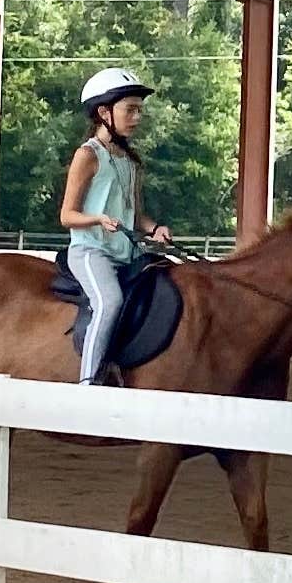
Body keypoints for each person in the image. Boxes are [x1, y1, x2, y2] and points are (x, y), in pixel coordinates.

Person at [59, 69, 171, 383]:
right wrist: (97, 219)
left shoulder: (130, 161)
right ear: (104, 112)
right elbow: (67, 215)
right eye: (130, 110)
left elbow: (135, 215)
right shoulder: (87, 155)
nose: (137, 117)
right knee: (110, 303)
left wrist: (154, 229)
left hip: (127, 254)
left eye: (139, 111)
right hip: (91, 252)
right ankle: (89, 382)